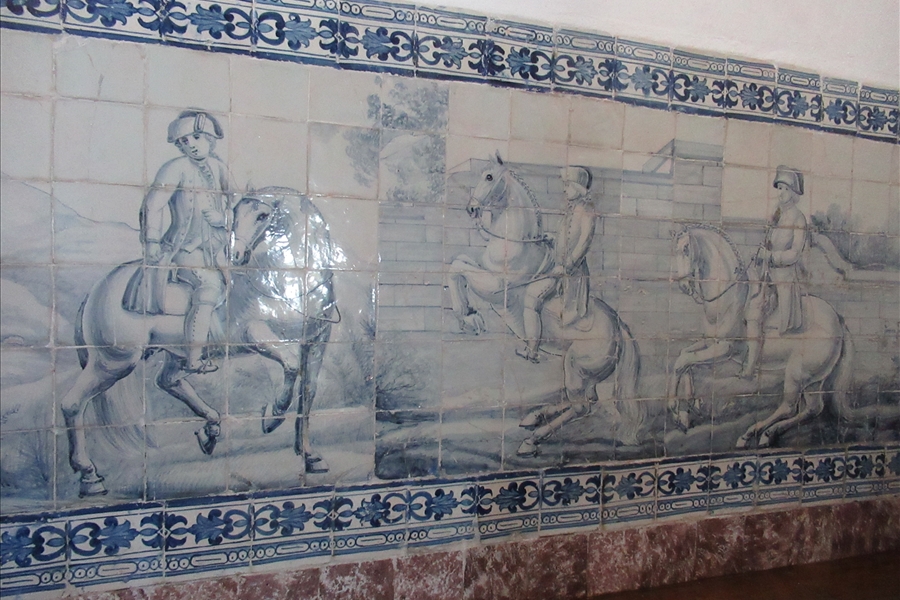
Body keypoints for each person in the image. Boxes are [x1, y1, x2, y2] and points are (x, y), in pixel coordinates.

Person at [140, 110, 233, 374]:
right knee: (209, 286)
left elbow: (236, 203)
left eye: (195, 137)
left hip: (218, 249)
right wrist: (152, 241)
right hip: (184, 250)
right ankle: (194, 359)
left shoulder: (219, 168)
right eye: (184, 141)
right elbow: (153, 205)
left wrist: (223, 219)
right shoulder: (175, 168)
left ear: (210, 138)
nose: (190, 144)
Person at [518, 166, 596, 363]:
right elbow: (566, 240)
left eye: (568, 185)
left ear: (577, 187)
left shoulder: (586, 211)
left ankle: (532, 350)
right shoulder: (572, 210)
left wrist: (566, 266)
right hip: (560, 268)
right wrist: (551, 239)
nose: (564, 189)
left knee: (532, 296)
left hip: (571, 274)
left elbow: (584, 243)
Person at [741, 165, 808, 378]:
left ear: (794, 193)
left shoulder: (798, 219)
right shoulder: (777, 216)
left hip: (784, 280)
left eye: (786, 189)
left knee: (754, 313)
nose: (781, 193)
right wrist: (760, 253)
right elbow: (768, 244)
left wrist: (770, 256)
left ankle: (751, 367)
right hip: (766, 275)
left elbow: (794, 254)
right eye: (779, 188)